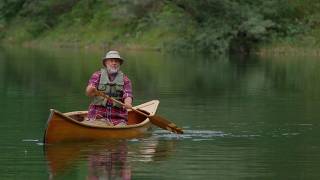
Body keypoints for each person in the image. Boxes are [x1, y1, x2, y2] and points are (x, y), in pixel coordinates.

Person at [86, 50, 133, 126]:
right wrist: (90, 89)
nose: (114, 63)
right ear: (106, 63)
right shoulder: (97, 75)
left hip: (117, 118)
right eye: (111, 61)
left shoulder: (126, 80)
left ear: (119, 64)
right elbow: (89, 92)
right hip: (97, 116)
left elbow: (128, 95)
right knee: (95, 124)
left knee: (121, 127)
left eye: (116, 61)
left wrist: (128, 103)